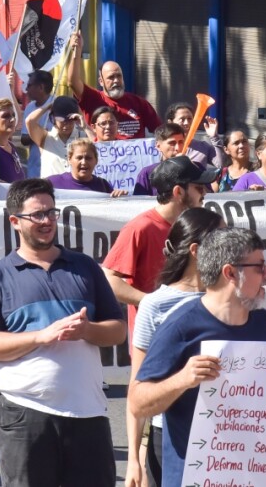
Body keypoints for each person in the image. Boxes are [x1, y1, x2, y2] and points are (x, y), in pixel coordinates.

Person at [128, 227, 266, 487]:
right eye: (260, 267)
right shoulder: (180, 327)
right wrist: (182, 380)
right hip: (197, 478)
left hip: (261, 473)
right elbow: (137, 403)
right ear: (230, 273)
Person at [0, 178, 126, 487]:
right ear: (15, 221)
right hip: (25, 414)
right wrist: (40, 336)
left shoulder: (85, 267)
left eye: (51, 213)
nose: (47, 221)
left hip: (88, 412)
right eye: (37, 215)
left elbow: (118, 331)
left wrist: (87, 330)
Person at [125, 208, 224, 487]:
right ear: (196, 250)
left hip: (227, 431)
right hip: (169, 436)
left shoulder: (235, 298)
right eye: (220, 237)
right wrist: (134, 458)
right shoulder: (155, 305)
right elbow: (138, 386)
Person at [103, 155, 217, 337]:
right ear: (178, 192)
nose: (204, 193)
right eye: (198, 187)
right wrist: (153, 302)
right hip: (154, 337)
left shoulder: (198, 225)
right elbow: (109, 280)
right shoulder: (140, 227)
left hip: (193, 331)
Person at [66, 32, 160, 139]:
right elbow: (72, 82)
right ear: (101, 81)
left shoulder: (139, 103)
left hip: (134, 154)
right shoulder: (93, 98)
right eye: (111, 77)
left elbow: (160, 131)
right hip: (102, 154)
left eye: (119, 76)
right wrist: (77, 52)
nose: (116, 80)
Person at [25, 95, 89, 178]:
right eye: (61, 119)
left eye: (70, 119)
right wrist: (48, 106)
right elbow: (29, 121)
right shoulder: (45, 138)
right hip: (50, 189)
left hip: (75, 189)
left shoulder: (84, 137)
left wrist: (85, 126)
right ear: (53, 118)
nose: (66, 123)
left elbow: (98, 147)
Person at [45, 138, 127, 197]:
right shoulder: (52, 183)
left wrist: (120, 198)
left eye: (88, 158)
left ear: (96, 161)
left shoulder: (103, 186)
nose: (84, 162)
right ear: (69, 159)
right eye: (79, 158)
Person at [18, 70, 55, 178]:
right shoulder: (30, 107)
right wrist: (40, 134)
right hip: (34, 170)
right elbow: (24, 139)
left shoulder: (57, 104)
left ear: (41, 87)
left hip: (54, 169)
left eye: (29, 85)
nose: (26, 89)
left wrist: (36, 132)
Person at [132, 123, 186, 196]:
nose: (178, 148)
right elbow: (139, 203)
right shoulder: (147, 173)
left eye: (181, 142)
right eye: (172, 143)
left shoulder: (195, 168)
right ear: (158, 146)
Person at [166, 102, 224, 167]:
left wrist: (214, 137)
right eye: (182, 119)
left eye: (189, 119)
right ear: (170, 122)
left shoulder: (202, 147)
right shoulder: (163, 146)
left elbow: (221, 165)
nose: (186, 123)